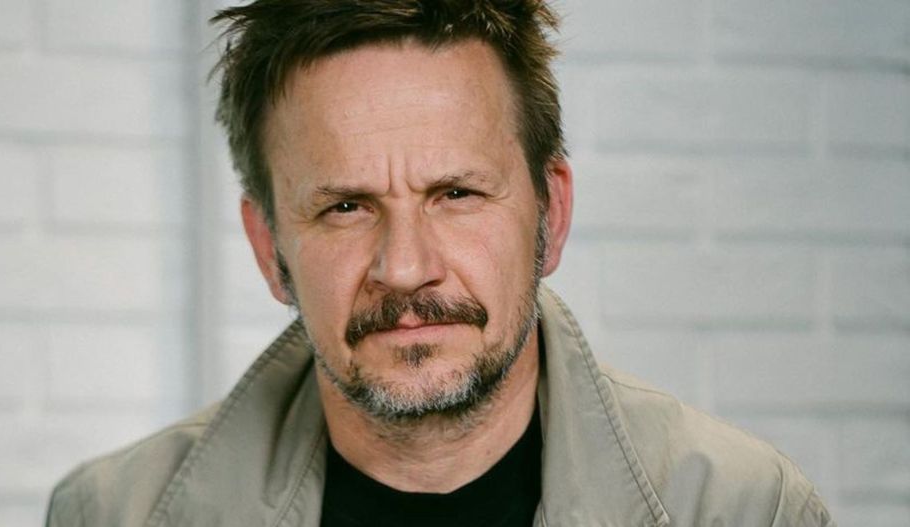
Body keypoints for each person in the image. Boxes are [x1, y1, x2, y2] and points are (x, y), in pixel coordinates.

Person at [46, 1, 835, 525]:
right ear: (269, 247)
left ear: (551, 214)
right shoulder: (111, 514)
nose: (404, 267)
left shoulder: (743, 509)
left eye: (456, 193)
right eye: (345, 206)